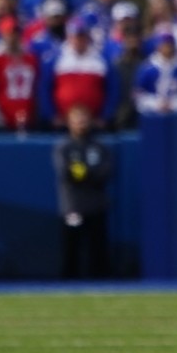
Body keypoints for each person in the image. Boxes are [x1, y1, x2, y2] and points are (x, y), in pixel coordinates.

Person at [53, 103, 113, 279]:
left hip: (96, 206)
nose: (81, 124)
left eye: (84, 120)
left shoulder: (100, 146)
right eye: (76, 120)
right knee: (71, 247)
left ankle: (101, 285)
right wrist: (85, 174)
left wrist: (84, 173)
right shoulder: (64, 147)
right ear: (69, 123)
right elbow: (66, 173)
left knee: (98, 249)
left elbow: (106, 172)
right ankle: (69, 285)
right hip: (73, 207)